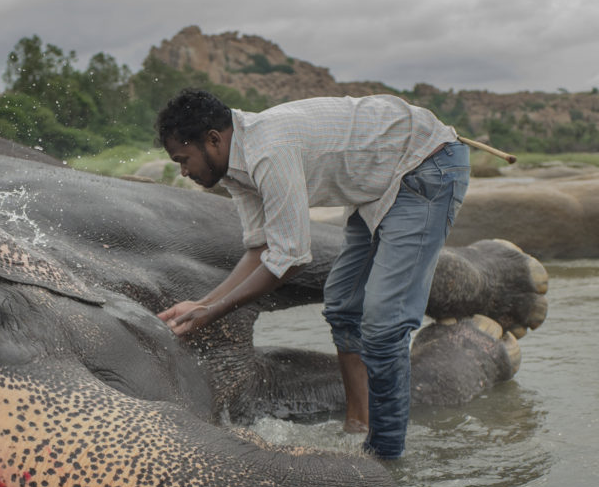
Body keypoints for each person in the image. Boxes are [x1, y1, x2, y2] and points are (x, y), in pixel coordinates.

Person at [155, 89, 470, 459]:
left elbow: (290, 258)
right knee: (343, 305)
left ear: (212, 140)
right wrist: (203, 303)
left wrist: (214, 311)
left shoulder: (269, 150)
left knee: (384, 324)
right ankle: (359, 424)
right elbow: (261, 248)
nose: (185, 171)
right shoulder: (235, 168)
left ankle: (384, 458)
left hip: (424, 167)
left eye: (184, 159)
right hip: (380, 183)